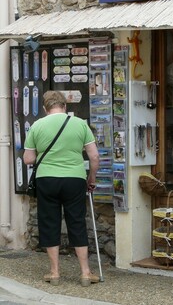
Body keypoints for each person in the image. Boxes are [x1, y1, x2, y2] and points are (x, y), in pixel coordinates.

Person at [23, 91, 100, 287]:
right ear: (65, 107)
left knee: (49, 222)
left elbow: (28, 159)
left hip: (47, 180)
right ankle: (85, 273)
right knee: (77, 221)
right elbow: (94, 157)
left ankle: (55, 273)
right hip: (74, 179)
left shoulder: (37, 126)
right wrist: (91, 178)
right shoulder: (80, 124)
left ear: (44, 108)